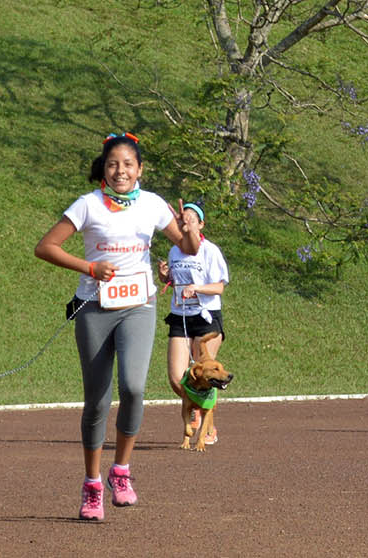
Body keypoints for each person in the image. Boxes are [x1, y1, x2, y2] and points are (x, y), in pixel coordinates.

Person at [33, 133, 200, 521]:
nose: (120, 170)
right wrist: (90, 268)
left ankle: (120, 472)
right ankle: (92, 485)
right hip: (94, 307)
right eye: (112, 164)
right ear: (103, 170)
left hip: (138, 306)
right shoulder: (88, 205)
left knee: (134, 387)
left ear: (139, 169)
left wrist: (189, 227)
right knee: (97, 400)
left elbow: (189, 248)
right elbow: (46, 247)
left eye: (127, 164)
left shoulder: (153, 204)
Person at [158, 202, 227, 444]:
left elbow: (219, 287)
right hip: (180, 315)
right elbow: (175, 281)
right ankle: (196, 410)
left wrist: (196, 288)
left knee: (205, 373)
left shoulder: (210, 251)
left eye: (190, 219)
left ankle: (209, 426)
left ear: (200, 225)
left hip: (206, 316)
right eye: (182, 219)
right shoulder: (175, 250)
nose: (185, 222)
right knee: (178, 378)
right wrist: (165, 276)